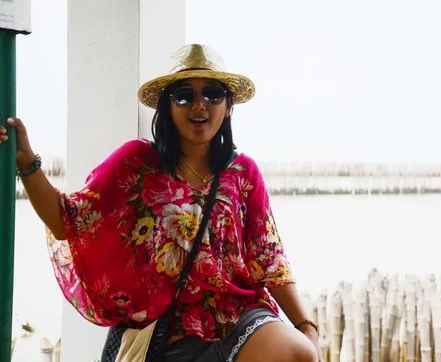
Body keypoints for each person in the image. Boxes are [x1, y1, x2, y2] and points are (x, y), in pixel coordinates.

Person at [0, 44, 322, 362]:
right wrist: (27, 163)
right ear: (168, 105)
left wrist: (305, 326)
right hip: (167, 331)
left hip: (238, 318)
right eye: (184, 95)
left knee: (298, 355)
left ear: (228, 105)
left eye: (212, 94)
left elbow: (269, 259)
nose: (200, 106)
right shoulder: (138, 162)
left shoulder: (243, 172)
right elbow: (66, 220)